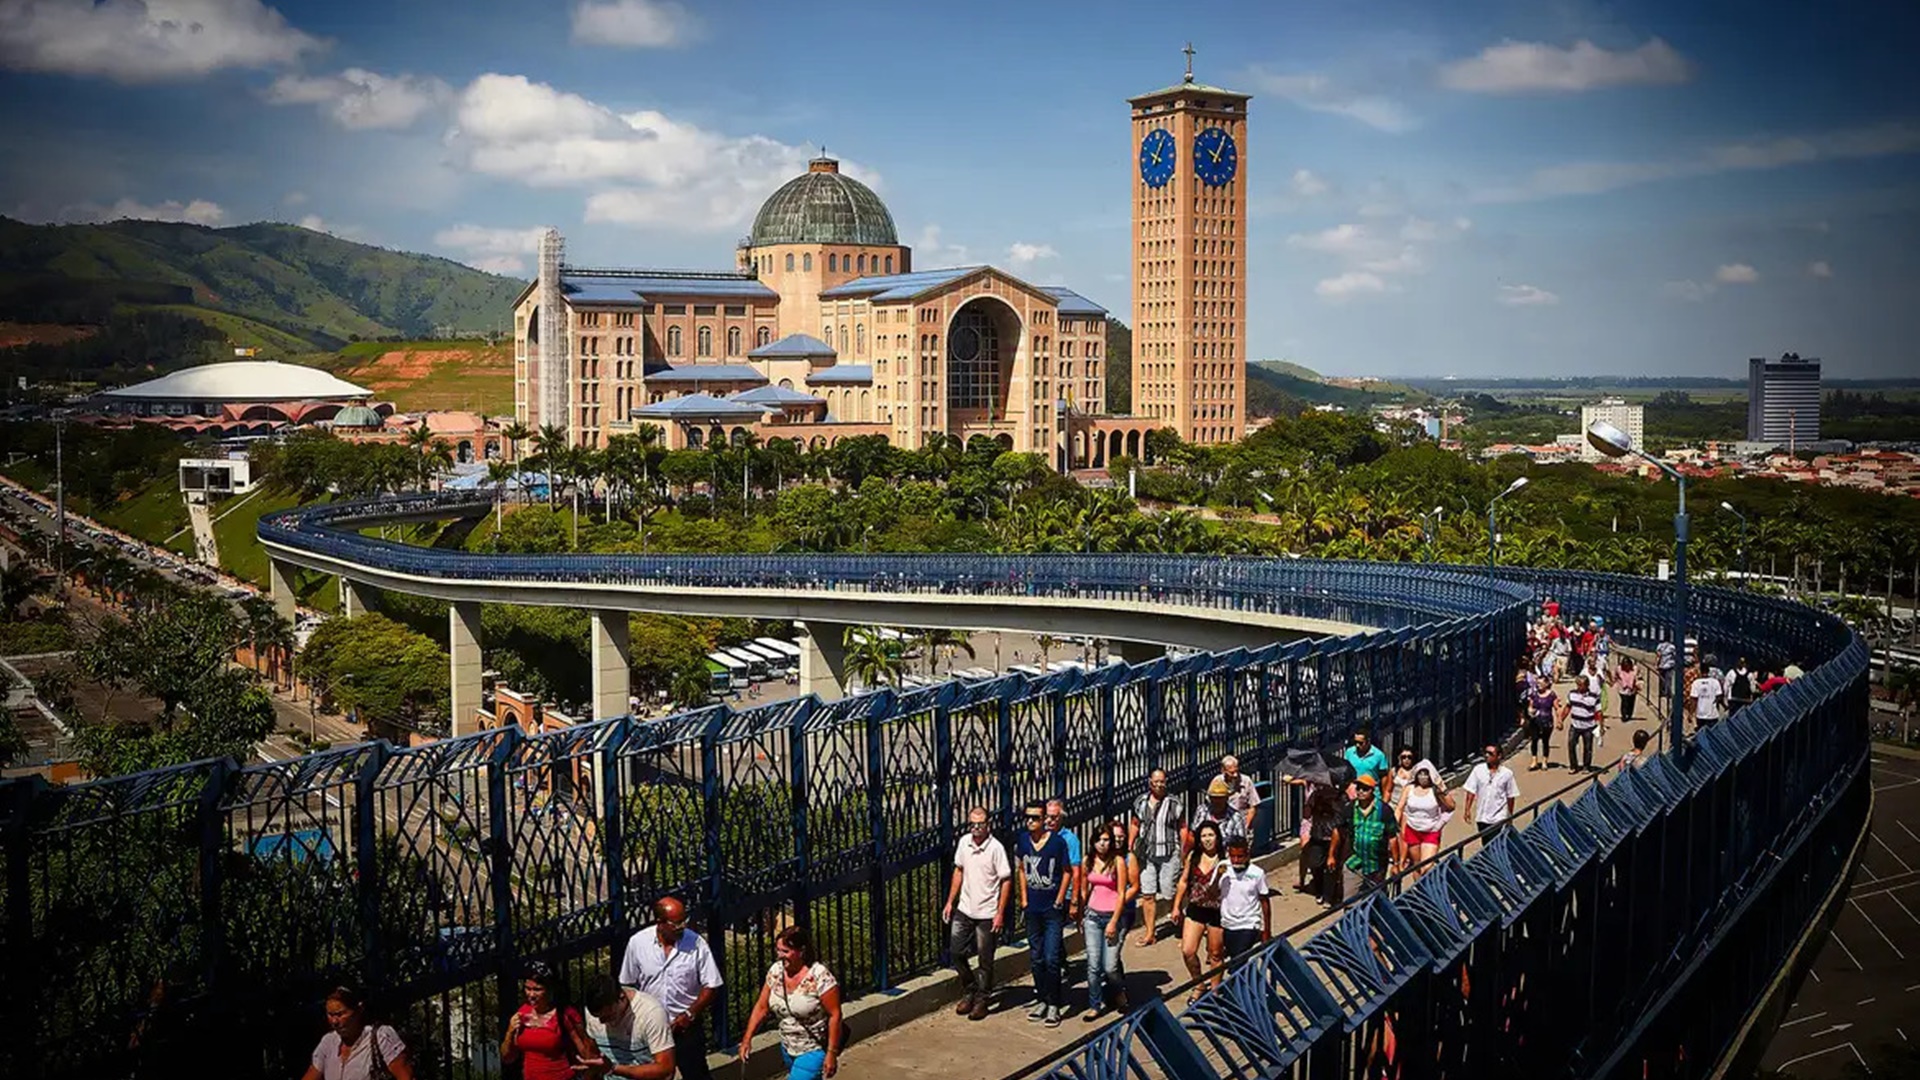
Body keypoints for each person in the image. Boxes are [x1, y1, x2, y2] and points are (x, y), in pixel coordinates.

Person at [618, 898, 724, 1080]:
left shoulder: (696, 943)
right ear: (660, 922)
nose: (682, 926)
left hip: (685, 1027)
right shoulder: (638, 943)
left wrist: (690, 1014)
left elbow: (712, 985)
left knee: (696, 1073)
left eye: (684, 920)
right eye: (676, 923)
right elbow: (627, 985)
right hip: (651, 1029)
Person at [737, 926, 843, 1080]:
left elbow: (835, 1015)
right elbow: (761, 1007)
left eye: (785, 951)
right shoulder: (776, 971)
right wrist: (747, 1039)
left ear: (801, 951)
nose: (780, 955)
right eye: (778, 950)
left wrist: (832, 1053)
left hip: (813, 1048)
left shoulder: (820, 976)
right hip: (788, 1047)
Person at [941, 806, 1010, 1021]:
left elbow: (1005, 880)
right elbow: (959, 871)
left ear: (988, 824)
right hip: (965, 908)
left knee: (985, 958)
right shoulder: (964, 842)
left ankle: (982, 998)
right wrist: (950, 901)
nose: (976, 828)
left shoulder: (996, 848)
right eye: (973, 824)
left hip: (987, 911)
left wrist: (1000, 912)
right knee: (956, 952)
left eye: (980, 824)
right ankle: (969, 988)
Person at [1015, 800, 1072, 1026]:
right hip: (1033, 909)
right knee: (1036, 958)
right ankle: (1042, 997)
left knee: (1051, 957)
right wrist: (1024, 899)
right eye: (1027, 817)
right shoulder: (1023, 840)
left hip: (1051, 910)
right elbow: (1020, 869)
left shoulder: (1057, 843)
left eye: (1035, 818)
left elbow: (1067, 871)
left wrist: (1060, 898)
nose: (1030, 821)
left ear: (1044, 820)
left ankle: (1054, 1003)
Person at [1079, 824, 1139, 1020]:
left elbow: (1122, 892)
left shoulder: (1119, 861)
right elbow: (1084, 889)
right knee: (1093, 965)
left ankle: (1119, 991)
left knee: (1110, 966)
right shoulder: (1088, 860)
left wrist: (1114, 921)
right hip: (1093, 917)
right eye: (1099, 840)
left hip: (1113, 916)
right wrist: (1082, 913)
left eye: (1106, 840)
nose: (1102, 844)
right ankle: (1094, 1004)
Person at [502, 962, 597, 1080]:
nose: (531, 995)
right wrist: (509, 1032)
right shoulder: (522, 1013)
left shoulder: (565, 1015)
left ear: (550, 989)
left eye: (537, 989)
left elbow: (586, 1049)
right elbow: (508, 1058)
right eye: (527, 988)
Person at [301, 983, 414, 1080]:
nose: (334, 1021)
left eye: (340, 1014)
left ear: (358, 1010)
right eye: (330, 1015)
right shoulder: (328, 1043)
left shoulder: (381, 1038)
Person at [1128, 768, 1188, 947]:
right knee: (1148, 894)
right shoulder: (1140, 802)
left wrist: (1183, 851)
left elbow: (1182, 827)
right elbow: (1135, 823)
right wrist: (1130, 845)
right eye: (1156, 781)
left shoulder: (1174, 803)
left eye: (1162, 781)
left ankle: (1183, 924)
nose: (1159, 785)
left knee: (1170, 892)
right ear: (1150, 782)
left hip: (1169, 853)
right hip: (1147, 855)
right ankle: (1150, 933)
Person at [1170, 821, 1228, 1004]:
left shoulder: (1224, 858)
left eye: (1211, 835)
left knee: (1215, 954)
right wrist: (1176, 906)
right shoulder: (1193, 856)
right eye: (1204, 836)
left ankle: (1216, 990)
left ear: (1217, 837)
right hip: (1196, 909)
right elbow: (1184, 881)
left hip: (1217, 911)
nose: (1207, 840)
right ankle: (1199, 984)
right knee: (1188, 950)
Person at [582, 976, 676, 1080]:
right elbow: (592, 1052)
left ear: (621, 997)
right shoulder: (593, 1012)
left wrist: (613, 1069)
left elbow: (666, 1069)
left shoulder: (650, 1013)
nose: (601, 1022)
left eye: (608, 1016)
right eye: (597, 1017)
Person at [1216, 835, 1272, 963]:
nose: (1236, 860)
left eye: (1240, 856)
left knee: (1237, 961)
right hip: (1227, 924)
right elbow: (1214, 893)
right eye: (1232, 856)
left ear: (1247, 854)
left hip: (1249, 924)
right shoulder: (1223, 869)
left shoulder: (1257, 873)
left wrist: (1267, 930)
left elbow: (1264, 901)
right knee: (1237, 962)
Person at [1394, 759, 1452, 877]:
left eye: (1426, 774)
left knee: (1427, 866)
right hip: (1413, 829)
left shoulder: (1435, 790)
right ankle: (1419, 890)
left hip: (1431, 830)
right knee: (1417, 865)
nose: (1423, 777)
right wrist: (1394, 824)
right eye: (1420, 774)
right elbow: (1400, 807)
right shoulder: (1409, 788)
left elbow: (1451, 805)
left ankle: (1429, 889)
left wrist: (1442, 789)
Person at [1343, 775, 1397, 898]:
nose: (1361, 792)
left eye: (1365, 789)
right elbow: (1341, 832)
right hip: (1355, 861)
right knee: (1350, 900)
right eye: (1358, 788)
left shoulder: (1384, 810)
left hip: (1376, 864)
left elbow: (1392, 837)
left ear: (1372, 790)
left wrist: (1396, 863)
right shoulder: (1350, 808)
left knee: (1376, 899)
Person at [1463, 744, 1519, 841]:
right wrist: (1467, 809)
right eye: (1486, 753)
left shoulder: (1507, 774)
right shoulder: (1478, 770)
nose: (1486, 755)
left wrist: (1509, 815)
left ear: (1499, 756)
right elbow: (1471, 790)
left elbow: (1510, 795)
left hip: (1498, 818)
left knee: (1495, 843)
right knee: (1486, 843)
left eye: (1490, 753)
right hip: (1482, 817)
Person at [1301, 784, 1342, 906]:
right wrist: (1309, 805)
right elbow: (1307, 815)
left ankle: (1329, 896)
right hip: (1317, 835)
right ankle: (1319, 890)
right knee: (1315, 864)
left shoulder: (1340, 797)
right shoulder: (1316, 795)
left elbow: (1342, 816)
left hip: (1334, 835)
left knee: (1331, 867)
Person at [1045, 798, 1083, 919]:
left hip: (1063, 894)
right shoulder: (1040, 835)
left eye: (1054, 817)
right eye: (1047, 816)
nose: (1049, 821)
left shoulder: (1070, 839)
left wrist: (1074, 900)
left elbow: (1076, 871)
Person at [1192, 777, 1251, 847]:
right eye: (1214, 798)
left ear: (1226, 798)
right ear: (1210, 798)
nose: (1217, 801)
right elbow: (1193, 834)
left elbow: (1241, 844)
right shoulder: (1201, 811)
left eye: (1220, 798)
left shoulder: (1236, 817)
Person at [1561, 673, 1602, 772]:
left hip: (1589, 726)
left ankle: (1586, 766)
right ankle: (1573, 766)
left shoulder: (1594, 696)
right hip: (1575, 725)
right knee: (1571, 744)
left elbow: (1598, 712)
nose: (1579, 687)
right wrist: (1561, 719)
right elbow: (1568, 707)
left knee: (1588, 748)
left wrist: (1600, 725)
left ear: (1587, 685)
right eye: (1577, 684)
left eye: (1581, 685)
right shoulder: (1572, 694)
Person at [1212, 755, 1260, 833]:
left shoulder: (1246, 781)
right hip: (1221, 822)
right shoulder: (1217, 781)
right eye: (1232, 772)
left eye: (1236, 771)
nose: (1235, 775)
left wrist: (1246, 826)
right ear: (1223, 771)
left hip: (1241, 821)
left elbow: (1253, 806)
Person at [1525, 676, 1557, 770]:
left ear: (1546, 684)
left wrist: (1559, 720)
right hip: (1535, 721)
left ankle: (1544, 761)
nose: (1538, 685)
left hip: (1547, 721)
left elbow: (1556, 707)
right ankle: (1534, 761)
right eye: (1537, 683)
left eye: (1540, 683)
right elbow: (1530, 706)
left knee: (1545, 741)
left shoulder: (1551, 695)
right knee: (1534, 740)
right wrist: (1530, 711)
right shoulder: (1534, 694)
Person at [1691, 664, 1725, 731]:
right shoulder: (1715, 682)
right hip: (1713, 715)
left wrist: (1691, 713)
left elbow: (1694, 699)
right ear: (1708, 671)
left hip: (1700, 715)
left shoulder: (1696, 683)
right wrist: (1714, 703)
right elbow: (1719, 696)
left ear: (1700, 671)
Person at [1655, 639, 1678, 720]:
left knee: (1661, 679)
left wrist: (1656, 664)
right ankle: (1667, 693)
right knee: (1668, 679)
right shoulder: (1672, 647)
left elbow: (1658, 655)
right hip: (1669, 665)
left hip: (1662, 665)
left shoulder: (1660, 646)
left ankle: (1661, 692)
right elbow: (1675, 655)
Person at [1615, 656, 1640, 723]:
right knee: (1624, 701)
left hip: (1632, 689)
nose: (1626, 667)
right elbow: (1616, 675)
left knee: (1631, 702)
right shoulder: (1619, 669)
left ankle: (1629, 714)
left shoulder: (1635, 669)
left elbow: (1638, 677)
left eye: (1627, 665)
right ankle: (1624, 715)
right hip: (1623, 689)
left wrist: (1637, 685)